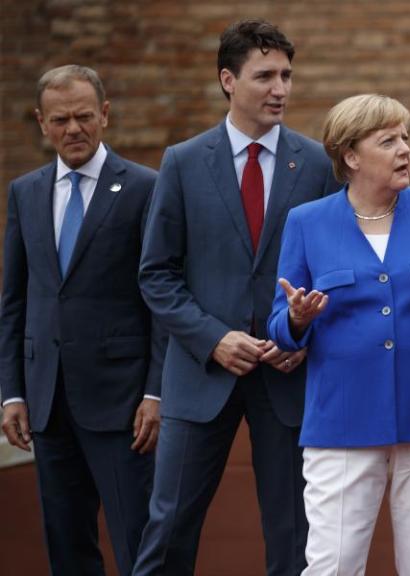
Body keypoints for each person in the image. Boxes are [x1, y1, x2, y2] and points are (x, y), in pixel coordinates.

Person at [134, 20, 339, 575]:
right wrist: (214, 338)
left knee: (295, 535)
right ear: (228, 79)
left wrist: (302, 336)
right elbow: (156, 274)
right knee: (168, 527)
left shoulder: (317, 164)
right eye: (265, 76)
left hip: (288, 379)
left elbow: (335, 272)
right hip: (201, 376)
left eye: (287, 76)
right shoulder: (181, 161)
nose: (281, 89)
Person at [267, 93, 410, 575]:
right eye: (388, 140)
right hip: (344, 417)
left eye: (406, 138)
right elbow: (281, 328)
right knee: (332, 564)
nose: (404, 150)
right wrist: (297, 320)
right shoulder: (308, 223)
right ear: (350, 156)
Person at [0, 65, 163, 575]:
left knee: (140, 546)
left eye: (84, 116)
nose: (74, 129)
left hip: (123, 407)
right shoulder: (25, 192)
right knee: (67, 549)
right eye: (61, 119)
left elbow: (160, 298)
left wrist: (156, 393)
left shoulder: (143, 188)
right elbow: (15, 299)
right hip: (47, 404)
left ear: (105, 115)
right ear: (41, 122)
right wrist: (12, 392)